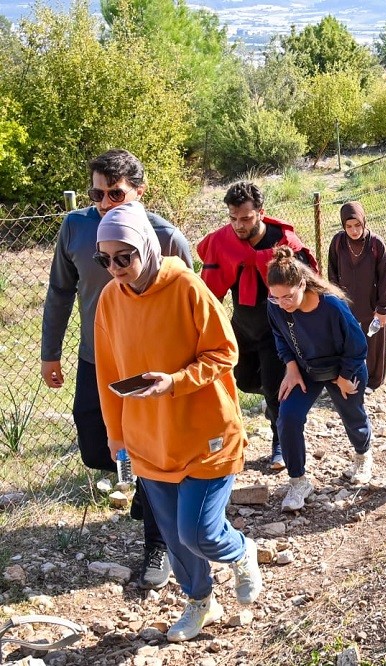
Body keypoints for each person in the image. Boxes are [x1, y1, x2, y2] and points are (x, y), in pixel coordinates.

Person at [93, 201, 262, 643]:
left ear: (145, 248)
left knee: (199, 531)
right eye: (105, 259)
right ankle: (200, 601)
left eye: (123, 257)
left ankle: (243, 551)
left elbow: (226, 351)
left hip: (205, 431)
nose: (114, 268)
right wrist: (116, 436)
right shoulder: (110, 299)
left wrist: (175, 381)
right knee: (173, 534)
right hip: (148, 439)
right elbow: (108, 376)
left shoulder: (186, 285)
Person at [41, 148, 193, 591]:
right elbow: (58, 293)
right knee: (95, 445)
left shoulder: (166, 237)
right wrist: (51, 353)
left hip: (150, 373)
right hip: (95, 360)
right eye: (97, 193)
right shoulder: (76, 227)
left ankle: (158, 542)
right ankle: (148, 490)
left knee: (147, 453)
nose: (105, 201)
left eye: (116, 193)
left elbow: (194, 307)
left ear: (140, 192)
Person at [197, 182, 318, 472]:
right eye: (233, 218)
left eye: (246, 218)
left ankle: (280, 444)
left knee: (277, 388)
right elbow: (210, 290)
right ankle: (269, 399)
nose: (239, 225)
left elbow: (307, 289)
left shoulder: (284, 243)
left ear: (261, 213)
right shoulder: (224, 242)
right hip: (242, 325)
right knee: (244, 379)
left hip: (276, 329)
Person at [267, 247, 375, 509]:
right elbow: (280, 337)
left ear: (302, 284)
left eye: (288, 296)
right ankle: (298, 481)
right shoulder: (275, 305)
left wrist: (344, 376)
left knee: (352, 414)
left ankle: (362, 455)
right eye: (276, 297)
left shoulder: (332, 306)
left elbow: (357, 344)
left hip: (344, 365)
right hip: (306, 368)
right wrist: (290, 367)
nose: (283, 303)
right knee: (288, 416)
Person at [327, 202, 386, 391]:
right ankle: (350, 378)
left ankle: (372, 381)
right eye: (349, 226)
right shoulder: (338, 243)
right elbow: (332, 274)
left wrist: (382, 308)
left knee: (373, 343)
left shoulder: (376, 244)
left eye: (357, 225)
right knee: (348, 343)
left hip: (371, 305)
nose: (353, 231)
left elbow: (384, 277)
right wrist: (334, 302)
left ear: (364, 222)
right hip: (346, 305)